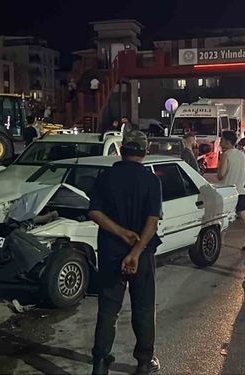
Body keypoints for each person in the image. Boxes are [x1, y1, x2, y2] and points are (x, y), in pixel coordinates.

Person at [88, 130, 162, 375]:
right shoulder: (152, 180)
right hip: (141, 256)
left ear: (121, 149)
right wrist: (136, 252)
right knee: (143, 307)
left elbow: (94, 213)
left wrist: (120, 233)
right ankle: (144, 362)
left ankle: (100, 363)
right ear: (144, 151)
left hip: (110, 252)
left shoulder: (105, 176)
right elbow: (152, 222)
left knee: (108, 310)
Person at [217, 130, 245, 251]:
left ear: (227, 142)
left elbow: (221, 174)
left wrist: (219, 174)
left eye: (222, 140)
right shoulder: (242, 154)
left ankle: (220, 242)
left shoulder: (226, 155)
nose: (220, 142)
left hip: (228, 192)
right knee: (244, 216)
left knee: (224, 217)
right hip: (241, 191)